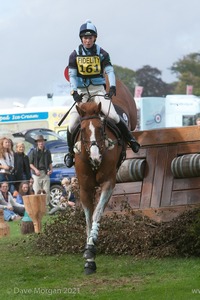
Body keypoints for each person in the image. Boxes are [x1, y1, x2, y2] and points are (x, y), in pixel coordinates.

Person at [64, 20, 140, 168]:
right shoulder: (74, 55)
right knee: (72, 124)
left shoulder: (102, 53)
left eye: (90, 37)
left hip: (98, 90)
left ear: (95, 38)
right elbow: (72, 75)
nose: (88, 40)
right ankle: (70, 153)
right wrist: (74, 92)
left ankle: (131, 140)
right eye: (85, 38)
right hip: (82, 93)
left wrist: (112, 87)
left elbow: (110, 71)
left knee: (113, 115)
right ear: (81, 39)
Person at [28, 135, 53, 205]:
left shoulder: (47, 151)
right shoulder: (33, 152)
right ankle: (38, 206)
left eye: (42, 141)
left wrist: (51, 170)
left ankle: (46, 207)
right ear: (37, 143)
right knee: (37, 191)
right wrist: (36, 170)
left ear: (44, 142)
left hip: (45, 173)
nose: (41, 143)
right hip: (36, 175)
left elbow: (50, 162)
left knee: (47, 191)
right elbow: (30, 164)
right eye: (39, 141)